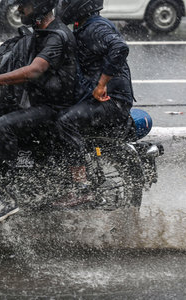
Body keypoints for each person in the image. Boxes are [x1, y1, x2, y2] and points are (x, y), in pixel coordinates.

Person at [0, 0, 78, 225]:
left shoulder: (57, 36)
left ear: (40, 6)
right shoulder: (38, 33)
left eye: (23, 5)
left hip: (53, 107)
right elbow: (8, 65)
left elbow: (34, 70)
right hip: (34, 102)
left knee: (6, 124)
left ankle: (8, 195)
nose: (18, 10)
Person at [54, 0, 136, 203]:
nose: (63, 6)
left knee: (66, 121)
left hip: (113, 101)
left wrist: (102, 84)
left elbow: (119, 48)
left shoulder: (96, 27)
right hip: (97, 98)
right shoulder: (84, 25)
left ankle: (81, 188)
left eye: (67, 2)